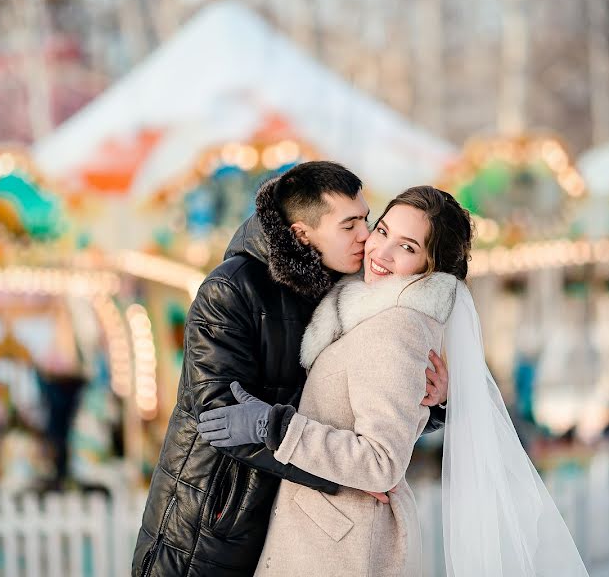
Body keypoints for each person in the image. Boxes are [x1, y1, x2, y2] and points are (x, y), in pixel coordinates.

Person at [200, 186, 589, 576]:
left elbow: (381, 461)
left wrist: (275, 427)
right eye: (382, 231)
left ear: (430, 267)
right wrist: (434, 409)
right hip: (326, 533)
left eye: (407, 247)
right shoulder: (365, 311)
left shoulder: (395, 328)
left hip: (339, 548)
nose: (381, 253)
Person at [132, 162, 449, 576]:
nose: (367, 236)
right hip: (212, 515)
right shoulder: (231, 289)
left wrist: (432, 400)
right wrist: (344, 475)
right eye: (349, 224)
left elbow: (346, 411)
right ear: (302, 234)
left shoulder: (343, 294)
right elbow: (222, 419)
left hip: (286, 521)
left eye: (367, 219)